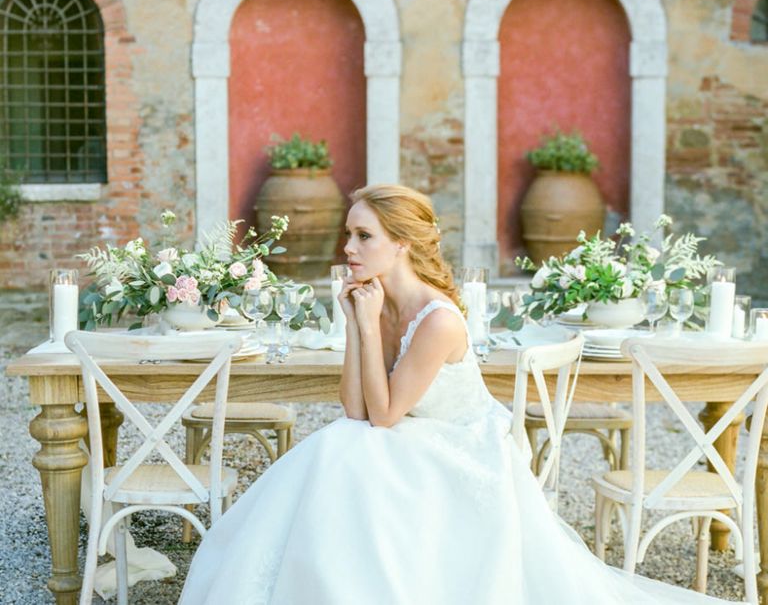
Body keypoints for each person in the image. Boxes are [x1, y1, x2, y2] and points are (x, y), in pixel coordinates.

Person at [180, 184, 729, 604]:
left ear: (402, 244)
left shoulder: (437, 319)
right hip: (410, 436)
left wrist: (369, 328)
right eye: (349, 234)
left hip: (464, 450)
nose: (348, 247)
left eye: (363, 236)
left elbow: (385, 416)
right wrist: (354, 322)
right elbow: (354, 407)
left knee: (346, 450)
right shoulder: (375, 300)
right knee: (339, 443)